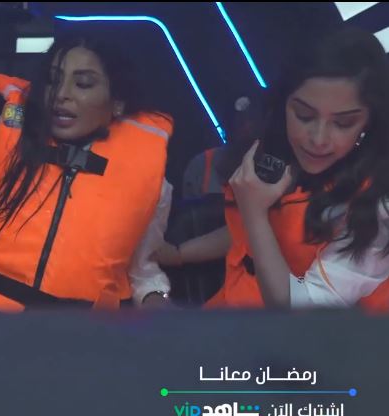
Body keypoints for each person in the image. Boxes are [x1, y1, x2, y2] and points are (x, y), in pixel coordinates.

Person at [0, 34, 174, 312]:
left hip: (74, 332)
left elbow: (143, 273)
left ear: (117, 103)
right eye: (53, 81)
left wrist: (163, 307)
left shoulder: (150, 180)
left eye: (83, 84)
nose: (61, 94)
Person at [166, 28, 389, 311]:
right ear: (283, 105)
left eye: (343, 123)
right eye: (304, 116)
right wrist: (180, 253)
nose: (318, 139)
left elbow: (299, 311)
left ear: (369, 122)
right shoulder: (275, 151)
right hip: (230, 313)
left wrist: (254, 212)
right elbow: (250, 232)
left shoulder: (378, 205)